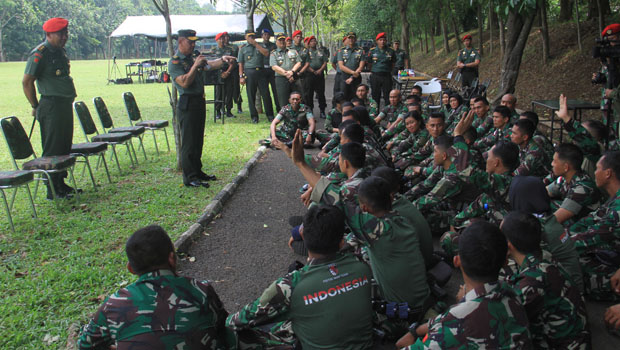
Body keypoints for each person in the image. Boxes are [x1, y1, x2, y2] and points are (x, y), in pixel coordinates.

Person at [226, 205, 375, 349]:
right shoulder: (362, 264)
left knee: (248, 332)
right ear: (342, 241)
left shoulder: (289, 285)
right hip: (367, 345)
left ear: (303, 234)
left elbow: (235, 322)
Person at [77, 225, 233, 349]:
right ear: (172, 259)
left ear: (131, 269)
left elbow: (85, 345)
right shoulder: (202, 290)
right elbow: (224, 328)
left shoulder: (113, 305)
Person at [399, 221, 532, 349]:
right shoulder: (511, 293)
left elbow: (457, 321)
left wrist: (412, 333)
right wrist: (417, 330)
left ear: (456, 261)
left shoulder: (453, 328)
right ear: (505, 262)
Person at [169, 29, 234, 188]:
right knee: (189, 142)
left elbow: (210, 65)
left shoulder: (193, 58)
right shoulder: (175, 62)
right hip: (187, 103)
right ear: (180, 41)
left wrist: (223, 59)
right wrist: (195, 66)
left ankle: (197, 171)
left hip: (199, 101)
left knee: (198, 140)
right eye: (189, 41)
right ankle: (189, 177)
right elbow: (184, 82)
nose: (193, 44)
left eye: (194, 42)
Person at [23, 17, 78, 199]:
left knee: (63, 145)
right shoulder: (40, 53)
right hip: (51, 105)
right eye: (60, 34)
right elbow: (27, 82)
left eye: (65, 33)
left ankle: (61, 184)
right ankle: (52, 189)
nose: (64, 37)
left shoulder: (59, 52)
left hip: (63, 105)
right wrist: (35, 106)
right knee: (53, 148)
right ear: (48, 34)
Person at [568, 150, 620, 300]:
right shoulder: (614, 199)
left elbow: (590, 237)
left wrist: (555, 244)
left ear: (608, 173)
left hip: (613, 262)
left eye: (597, 168)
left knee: (568, 270)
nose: (594, 172)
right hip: (610, 255)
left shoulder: (618, 211)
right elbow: (588, 221)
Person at [546, 143, 600, 225]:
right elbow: (542, 193)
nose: (552, 164)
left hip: (583, 228)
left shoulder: (582, 188)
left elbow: (556, 219)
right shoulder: (564, 179)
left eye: (554, 161)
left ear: (566, 167)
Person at [238, 29, 274, 123]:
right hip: (249, 72)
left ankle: (270, 115)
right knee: (251, 96)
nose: (251, 38)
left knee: (266, 95)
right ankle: (254, 117)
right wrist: (241, 76)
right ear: (245, 37)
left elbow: (266, 53)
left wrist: (256, 44)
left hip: (261, 72)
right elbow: (241, 63)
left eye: (253, 36)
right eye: (249, 36)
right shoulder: (243, 48)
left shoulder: (260, 45)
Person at [269, 33, 302, 110]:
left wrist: (292, 72)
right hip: (281, 79)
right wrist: (286, 74)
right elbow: (274, 66)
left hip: (294, 77)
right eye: (279, 40)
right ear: (276, 42)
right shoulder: (274, 53)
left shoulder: (293, 51)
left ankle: (298, 118)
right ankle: (285, 119)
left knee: (297, 99)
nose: (282, 42)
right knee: (283, 100)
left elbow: (299, 62)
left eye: (283, 40)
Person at [211, 31, 237, 119]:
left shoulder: (229, 49)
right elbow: (212, 63)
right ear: (217, 40)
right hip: (217, 73)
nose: (222, 40)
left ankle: (228, 110)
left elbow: (233, 62)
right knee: (218, 93)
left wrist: (227, 72)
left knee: (229, 92)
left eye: (223, 38)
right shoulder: (214, 50)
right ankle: (218, 111)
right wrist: (220, 73)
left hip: (228, 72)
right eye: (220, 39)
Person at [303, 36, 328, 119]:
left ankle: (322, 111)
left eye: (314, 41)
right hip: (310, 75)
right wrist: (312, 71)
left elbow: (325, 62)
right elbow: (304, 63)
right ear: (309, 43)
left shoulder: (321, 51)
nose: (313, 42)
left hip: (319, 74)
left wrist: (320, 70)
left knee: (321, 93)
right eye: (311, 41)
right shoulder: (306, 52)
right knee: (309, 94)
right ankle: (310, 112)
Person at [367, 32, 395, 108]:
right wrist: (374, 70)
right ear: (377, 41)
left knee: (388, 95)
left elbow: (393, 63)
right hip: (375, 76)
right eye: (380, 40)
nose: (382, 41)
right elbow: (369, 63)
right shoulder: (372, 51)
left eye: (384, 40)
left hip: (386, 76)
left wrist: (387, 70)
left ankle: (388, 113)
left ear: (386, 41)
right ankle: (375, 113)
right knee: (375, 96)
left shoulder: (391, 51)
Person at [337, 31, 365, 100]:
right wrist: (352, 73)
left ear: (355, 39)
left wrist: (353, 77)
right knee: (344, 97)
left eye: (353, 38)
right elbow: (341, 66)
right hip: (345, 77)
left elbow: (361, 66)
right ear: (347, 39)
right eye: (349, 38)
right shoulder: (341, 51)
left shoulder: (360, 51)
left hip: (356, 77)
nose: (351, 40)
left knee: (357, 97)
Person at [260, 28, 280, 113]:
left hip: (272, 70)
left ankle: (279, 110)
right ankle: (269, 113)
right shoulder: (259, 45)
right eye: (264, 35)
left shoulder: (274, 45)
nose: (266, 36)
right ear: (262, 36)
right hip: (263, 70)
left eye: (268, 34)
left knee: (276, 92)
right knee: (265, 94)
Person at [223, 33, 243, 114]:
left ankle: (239, 106)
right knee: (224, 90)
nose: (226, 38)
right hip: (224, 71)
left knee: (236, 88)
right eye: (224, 37)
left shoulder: (234, 47)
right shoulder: (219, 48)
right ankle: (223, 108)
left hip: (234, 70)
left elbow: (238, 58)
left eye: (227, 37)